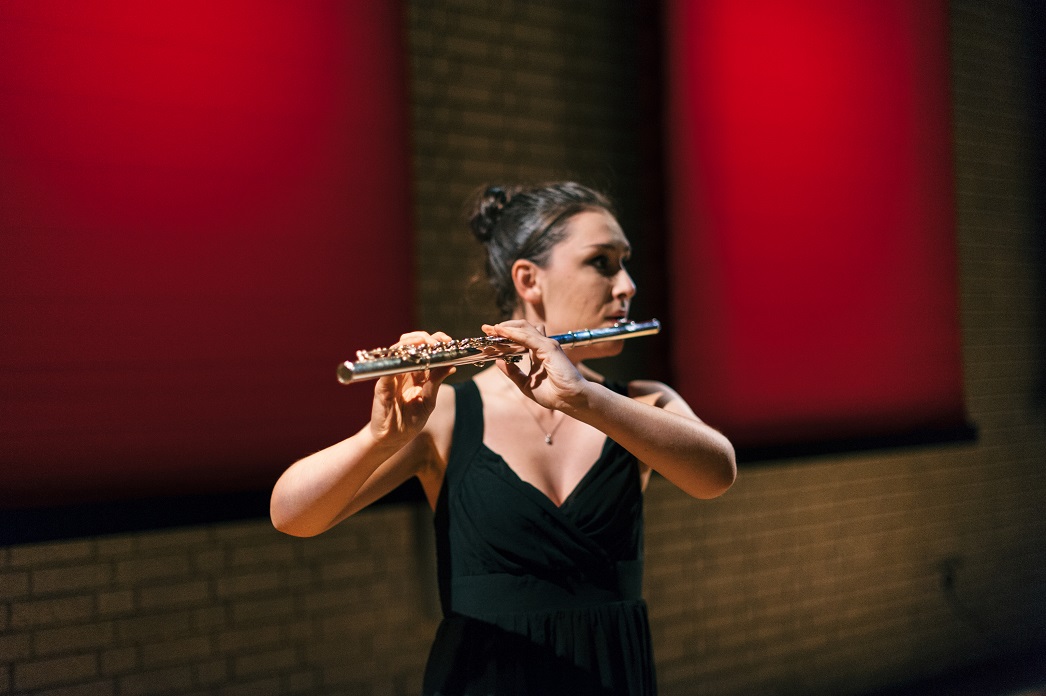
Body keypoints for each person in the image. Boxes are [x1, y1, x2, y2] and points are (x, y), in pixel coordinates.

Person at [270, 182, 736, 695]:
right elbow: (292, 515)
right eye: (602, 262)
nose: (626, 285)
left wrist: (584, 399)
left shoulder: (641, 405)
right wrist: (380, 438)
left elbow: (717, 474)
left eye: (625, 263)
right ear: (529, 279)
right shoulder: (446, 416)